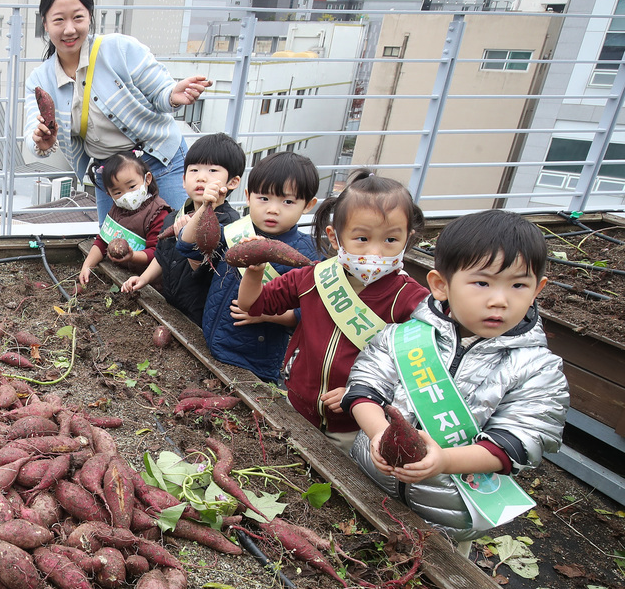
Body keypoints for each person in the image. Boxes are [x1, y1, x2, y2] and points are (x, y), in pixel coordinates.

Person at [343, 210, 567, 553]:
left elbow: (521, 441)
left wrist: (444, 462)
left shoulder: (538, 368)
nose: (499, 300)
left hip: (449, 519)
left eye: (519, 285)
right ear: (440, 285)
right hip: (367, 483)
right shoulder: (404, 337)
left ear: (538, 289)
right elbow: (364, 387)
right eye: (482, 282)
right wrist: (377, 434)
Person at [235, 170, 430, 452]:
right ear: (335, 238)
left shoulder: (412, 300)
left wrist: (366, 396)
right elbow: (254, 305)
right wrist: (254, 273)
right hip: (296, 405)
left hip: (356, 428)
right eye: (362, 238)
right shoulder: (313, 277)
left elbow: (417, 373)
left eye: (390, 240)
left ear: (407, 240)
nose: (375, 252)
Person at [22, 0, 210, 217]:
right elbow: (32, 133)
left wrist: (173, 95)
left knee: (177, 237)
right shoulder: (39, 80)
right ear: (45, 24)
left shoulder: (119, 48)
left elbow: (160, 91)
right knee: (115, 247)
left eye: (78, 17)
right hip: (110, 176)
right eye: (59, 20)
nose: (69, 29)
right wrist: (40, 142)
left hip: (158, 159)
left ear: (90, 16)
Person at [179, 151, 319, 382]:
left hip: (256, 361)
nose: (273, 209)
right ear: (247, 196)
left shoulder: (307, 253)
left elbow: (306, 312)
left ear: (308, 205)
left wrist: (266, 314)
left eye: (287, 201)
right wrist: (205, 206)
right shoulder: (237, 230)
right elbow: (189, 246)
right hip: (212, 342)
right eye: (263, 198)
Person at [154, 133, 245, 325]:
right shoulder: (174, 217)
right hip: (171, 306)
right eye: (194, 170)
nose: (201, 177)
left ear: (233, 182)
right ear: (183, 179)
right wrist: (143, 279)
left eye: (212, 171)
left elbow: (210, 270)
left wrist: (186, 239)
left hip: (201, 317)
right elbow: (161, 257)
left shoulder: (232, 226)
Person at [75, 152, 170, 293]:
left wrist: (132, 256)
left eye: (132, 187)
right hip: (122, 276)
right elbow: (102, 240)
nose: (126, 196)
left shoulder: (158, 212)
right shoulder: (117, 208)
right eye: (118, 192)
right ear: (109, 194)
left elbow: (156, 253)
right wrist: (87, 266)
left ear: (147, 179)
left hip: (150, 284)